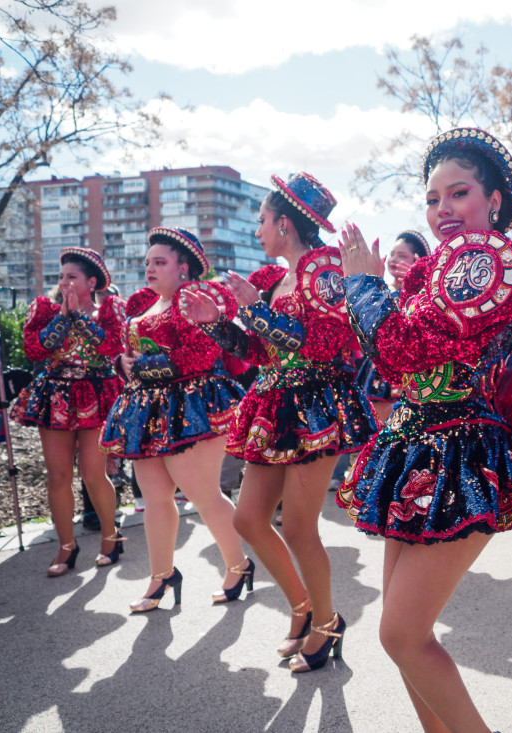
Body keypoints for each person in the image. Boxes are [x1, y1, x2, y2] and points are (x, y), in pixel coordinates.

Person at [338, 127, 512, 732]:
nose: (442, 211)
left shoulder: (491, 259)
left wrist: (362, 283)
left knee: (401, 635)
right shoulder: (437, 271)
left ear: (493, 201)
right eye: (433, 199)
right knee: (404, 637)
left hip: (456, 450)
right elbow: (387, 359)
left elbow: (400, 350)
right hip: (413, 450)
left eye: (458, 194)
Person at [183, 172, 377, 672]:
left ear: (285, 223)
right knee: (249, 520)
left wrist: (255, 311)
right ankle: (303, 606)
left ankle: (328, 622)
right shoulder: (274, 280)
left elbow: (324, 345)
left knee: (298, 527)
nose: (257, 231)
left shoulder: (325, 268)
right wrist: (218, 323)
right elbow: (256, 352)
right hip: (275, 403)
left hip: (317, 404)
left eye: (262, 220)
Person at [100, 227, 249, 613]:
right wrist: (124, 363)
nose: (150, 268)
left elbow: (196, 357)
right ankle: (161, 576)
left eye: (159, 262)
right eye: (148, 262)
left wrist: (141, 366)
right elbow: (128, 356)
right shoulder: (142, 305)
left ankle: (239, 565)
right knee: (154, 499)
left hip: (195, 406)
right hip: (148, 410)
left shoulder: (194, 300)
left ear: (184, 268)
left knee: (202, 494)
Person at [12, 247, 125, 575]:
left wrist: (80, 318)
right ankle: (66, 547)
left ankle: (110, 536)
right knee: (58, 476)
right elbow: (34, 350)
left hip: (95, 394)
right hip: (56, 394)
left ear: (91, 282)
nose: (64, 283)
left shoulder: (109, 309)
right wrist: (64, 317)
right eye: (61, 277)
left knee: (93, 474)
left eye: (71, 277)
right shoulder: (45, 309)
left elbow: (112, 347)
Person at [356, 230, 431, 426]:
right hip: (378, 369)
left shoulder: (426, 294)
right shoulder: (384, 290)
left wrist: (415, 283)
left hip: (404, 373)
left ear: (418, 260)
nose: (394, 260)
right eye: (392, 254)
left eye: (402, 255)